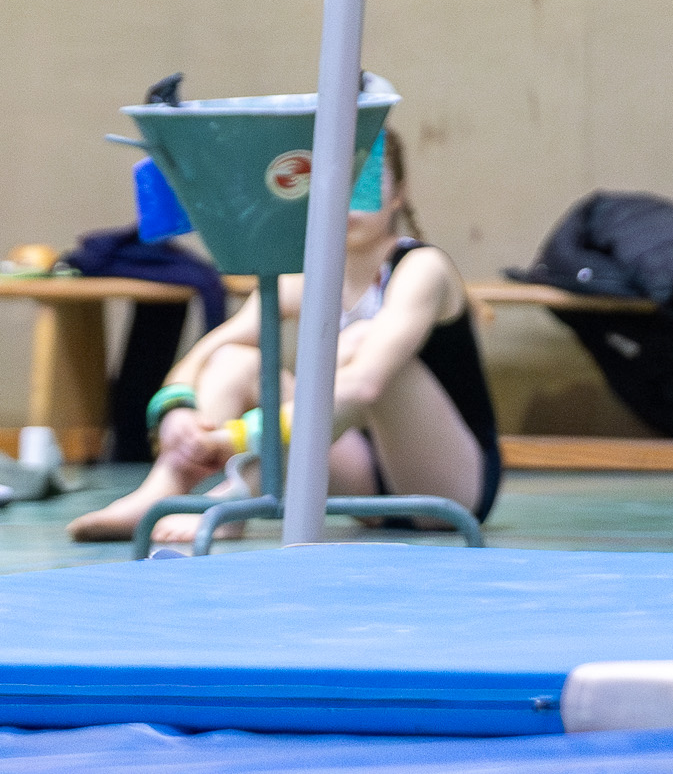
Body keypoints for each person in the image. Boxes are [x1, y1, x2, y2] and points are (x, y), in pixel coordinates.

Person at [66, 128, 498, 544]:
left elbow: (366, 383)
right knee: (235, 360)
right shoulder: (306, 274)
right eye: (335, 182)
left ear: (398, 194)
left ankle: (238, 492)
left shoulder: (422, 268)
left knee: (359, 342)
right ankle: (160, 491)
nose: (347, 203)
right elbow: (206, 352)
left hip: (448, 482)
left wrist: (237, 438)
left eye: (364, 183)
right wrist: (177, 411)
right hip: (363, 480)